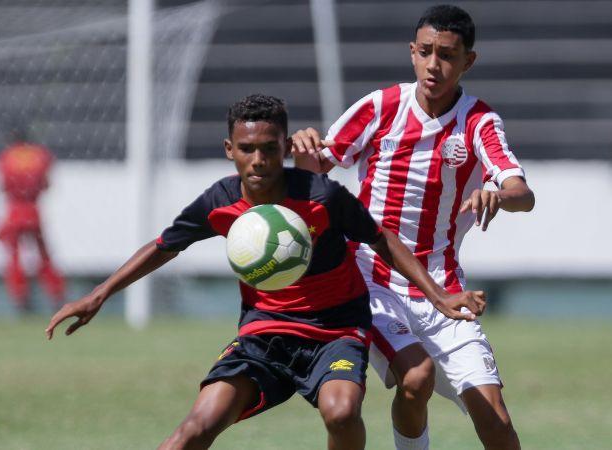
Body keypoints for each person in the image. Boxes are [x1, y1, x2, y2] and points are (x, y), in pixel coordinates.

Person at [45, 94, 486, 450]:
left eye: (269, 148)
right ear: (229, 150)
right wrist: (99, 294)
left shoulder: (322, 196)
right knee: (195, 428)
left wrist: (437, 295)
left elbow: (382, 239)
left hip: (336, 332)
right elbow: (163, 247)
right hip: (263, 336)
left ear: (286, 147)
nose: (258, 159)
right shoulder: (219, 202)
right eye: (247, 149)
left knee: (342, 412)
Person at [292, 5, 534, 449]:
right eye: (425, 52)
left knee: (497, 422)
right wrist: (304, 145)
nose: (433, 65)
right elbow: (316, 168)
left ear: (468, 62)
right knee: (416, 378)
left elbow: (523, 193)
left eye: (446, 55)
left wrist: (497, 194)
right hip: (373, 279)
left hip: (444, 286)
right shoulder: (381, 106)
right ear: (412, 52)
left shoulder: (479, 121)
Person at [0, 128, 65, 313]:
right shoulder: (39, 155)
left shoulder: (7, 157)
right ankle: (56, 294)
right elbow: (46, 184)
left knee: (14, 256)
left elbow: (3, 185)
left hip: (14, 210)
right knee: (44, 256)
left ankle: (20, 297)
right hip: (33, 210)